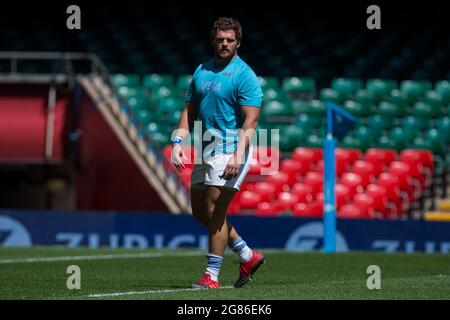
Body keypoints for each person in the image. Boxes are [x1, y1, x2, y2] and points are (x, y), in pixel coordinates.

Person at [171, 17, 265, 289]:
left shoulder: (244, 75)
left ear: (238, 42)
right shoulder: (201, 70)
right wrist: (177, 143)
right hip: (206, 148)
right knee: (200, 211)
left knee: (214, 210)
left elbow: (252, 121)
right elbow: (188, 113)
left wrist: (238, 155)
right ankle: (248, 255)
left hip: (230, 150)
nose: (224, 43)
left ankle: (211, 275)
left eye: (230, 40)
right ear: (213, 40)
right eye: (220, 39)